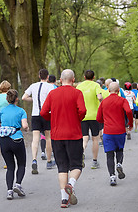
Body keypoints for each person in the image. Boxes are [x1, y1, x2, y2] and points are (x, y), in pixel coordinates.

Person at [40, 69, 87, 208]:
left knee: (62, 167)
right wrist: (77, 118)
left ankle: (64, 199)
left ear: (60, 80)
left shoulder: (53, 93)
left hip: (57, 135)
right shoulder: (77, 93)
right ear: (73, 80)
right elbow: (83, 110)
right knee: (77, 165)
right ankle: (71, 184)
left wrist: (52, 119)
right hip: (74, 134)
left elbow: (43, 112)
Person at [0, 89, 29, 200]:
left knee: (10, 167)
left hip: (4, 141)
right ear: (17, 99)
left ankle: (9, 191)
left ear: (7, 99)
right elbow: (24, 126)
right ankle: (18, 184)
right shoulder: (21, 111)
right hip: (17, 140)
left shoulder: (2, 111)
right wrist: (27, 128)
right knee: (21, 164)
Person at [96, 82, 133, 186]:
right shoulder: (122, 100)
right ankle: (119, 164)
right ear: (118, 91)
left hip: (108, 132)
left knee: (109, 154)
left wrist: (106, 120)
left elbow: (98, 118)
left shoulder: (104, 102)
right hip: (120, 130)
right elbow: (129, 112)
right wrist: (130, 123)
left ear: (108, 90)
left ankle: (112, 177)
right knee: (120, 150)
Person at [22, 69, 55, 174]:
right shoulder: (50, 87)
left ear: (39, 76)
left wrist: (34, 99)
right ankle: (49, 161)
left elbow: (24, 97)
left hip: (35, 114)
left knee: (35, 138)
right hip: (47, 114)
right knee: (48, 137)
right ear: (48, 77)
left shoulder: (33, 86)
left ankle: (34, 159)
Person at [76, 70, 103, 169]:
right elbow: (99, 97)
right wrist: (101, 102)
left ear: (84, 77)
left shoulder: (79, 86)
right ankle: (94, 161)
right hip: (94, 116)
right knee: (95, 138)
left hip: (83, 115)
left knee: (84, 137)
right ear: (94, 77)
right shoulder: (96, 85)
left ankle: (81, 153)